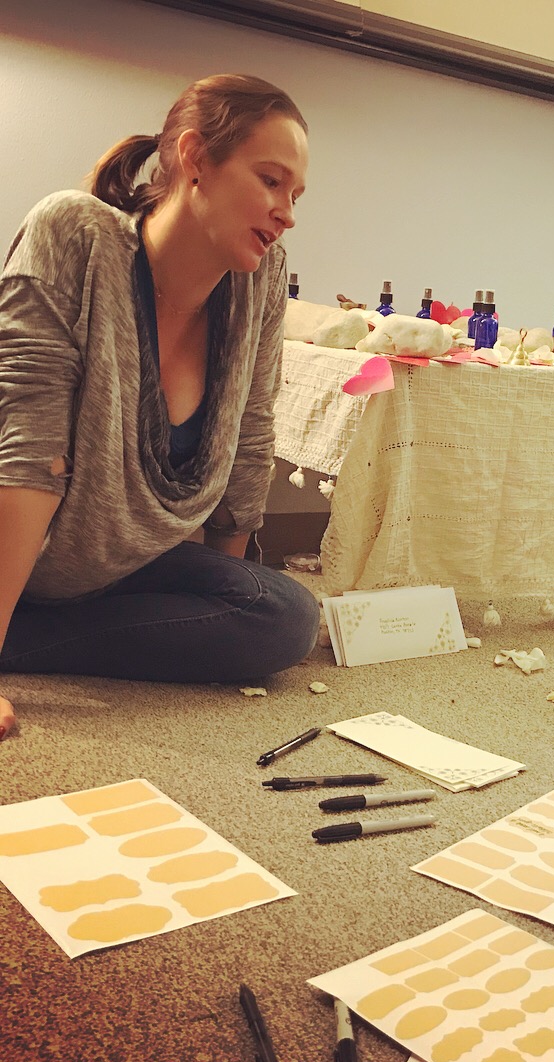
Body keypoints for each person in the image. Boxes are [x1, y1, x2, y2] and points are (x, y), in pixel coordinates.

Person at [0, 73, 321, 740]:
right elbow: (30, 454)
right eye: (270, 181)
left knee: (284, 617)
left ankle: (23, 639)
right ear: (196, 158)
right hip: (19, 539)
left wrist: (224, 603)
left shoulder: (260, 280)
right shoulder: (74, 232)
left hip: (111, 564)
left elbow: (251, 439)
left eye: (296, 195)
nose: (287, 212)